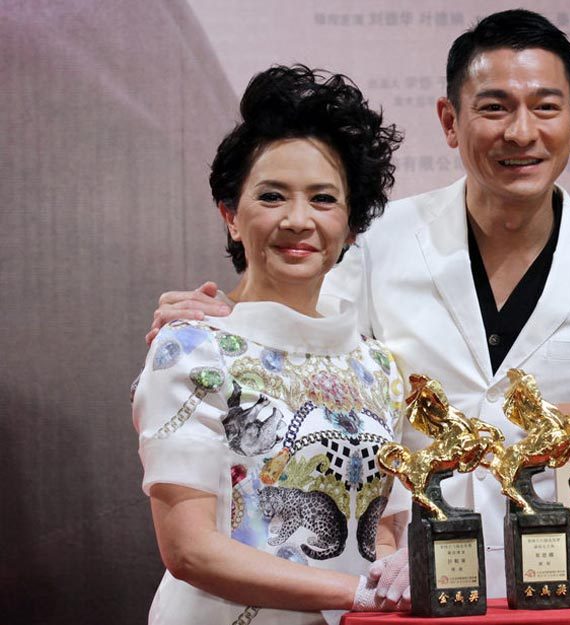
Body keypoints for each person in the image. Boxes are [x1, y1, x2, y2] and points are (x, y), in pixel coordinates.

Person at [146, 10, 570, 598]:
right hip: (402, 585)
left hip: (553, 585)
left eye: (545, 107)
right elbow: (298, 344)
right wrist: (222, 318)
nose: (521, 132)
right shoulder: (376, 240)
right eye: (494, 107)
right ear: (450, 121)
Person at [132, 65, 410, 625]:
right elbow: (189, 549)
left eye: (323, 199)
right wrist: (355, 592)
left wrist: (397, 570)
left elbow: (378, 531)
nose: (298, 220)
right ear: (231, 216)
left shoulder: (380, 367)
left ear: (352, 227)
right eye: (272, 196)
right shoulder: (192, 348)